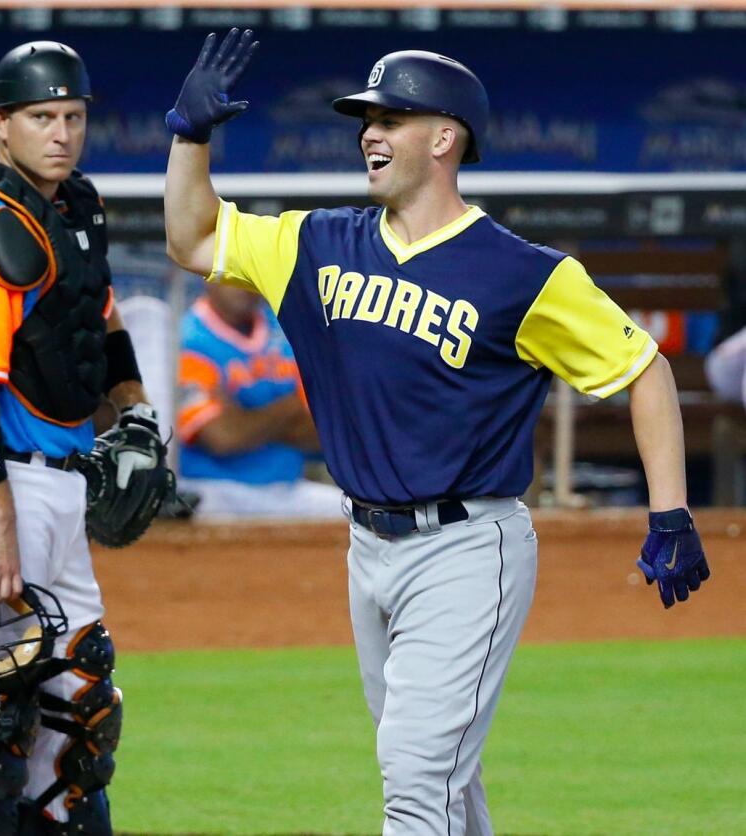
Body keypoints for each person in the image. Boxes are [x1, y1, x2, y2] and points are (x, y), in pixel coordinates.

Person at [163, 33, 711, 833]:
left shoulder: (523, 273)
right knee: (441, 778)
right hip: (367, 548)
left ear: (445, 138)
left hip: (467, 549)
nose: (369, 133)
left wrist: (670, 512)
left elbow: (642, 370)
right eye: (366, 119)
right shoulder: (316, 243)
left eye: (391, 116)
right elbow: (192, 238)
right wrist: (190, 138)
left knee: (417, 775)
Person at [0, 42, 165, 835]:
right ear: (1, 125)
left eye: (74, 117)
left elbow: (95, 322)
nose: (62, 133)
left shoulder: (76, 207)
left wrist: (138, 412)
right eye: (42, 117)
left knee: (81, 699)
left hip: (57, 475)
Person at [177, 282, 343, 518]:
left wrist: (243, 417)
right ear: (207, 275)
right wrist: (292, 407)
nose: (243, 283)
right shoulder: (189, 338)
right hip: (212, 489)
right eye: (233, 274)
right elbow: (223, 438)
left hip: (287, 489)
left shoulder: (288, 330)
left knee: (355, 519)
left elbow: (326, 433)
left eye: (248, 272)